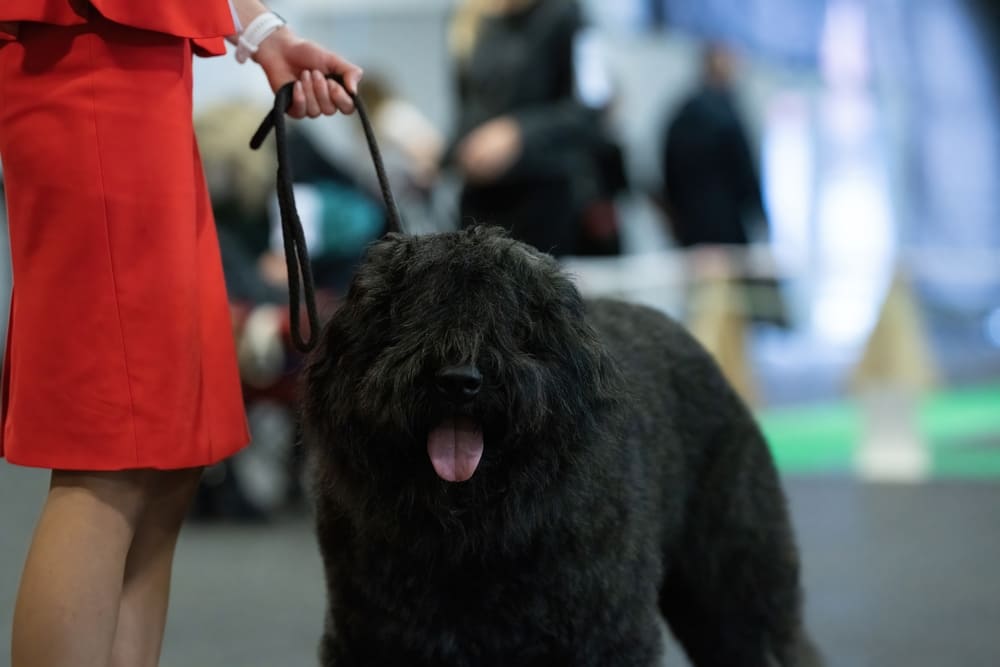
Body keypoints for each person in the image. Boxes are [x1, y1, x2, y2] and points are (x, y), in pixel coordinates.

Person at [0, 1, 362, 666]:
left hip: (143, 65)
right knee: (108, 461)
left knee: (165, 466)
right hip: (88, 53)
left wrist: (262, 31)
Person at [446, 0, 606, 257]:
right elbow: (467, 112)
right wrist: (445, 155)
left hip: (543, 203)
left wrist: (518, 132)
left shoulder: (569, 16)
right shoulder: (470, 18)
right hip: (479, 204)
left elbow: (591, 109)